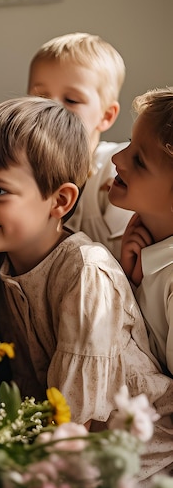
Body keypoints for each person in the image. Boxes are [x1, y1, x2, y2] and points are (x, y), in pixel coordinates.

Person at [0, 96, 173, 482]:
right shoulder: (6, 265)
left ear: (60, 201)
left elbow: (76, 417)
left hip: (136, 465)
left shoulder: (85, 273)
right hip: (64, 455)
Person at [27, 32, 132, 261]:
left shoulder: (116, 169)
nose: (51, 110)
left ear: (106, 115)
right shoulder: (23, 167)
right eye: (41, 98)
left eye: (71, 100)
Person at [108, 88, 173, 375]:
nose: (117, 159)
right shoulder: (141, 250)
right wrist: (128, 283)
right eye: (129, 143)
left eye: (139, 160)